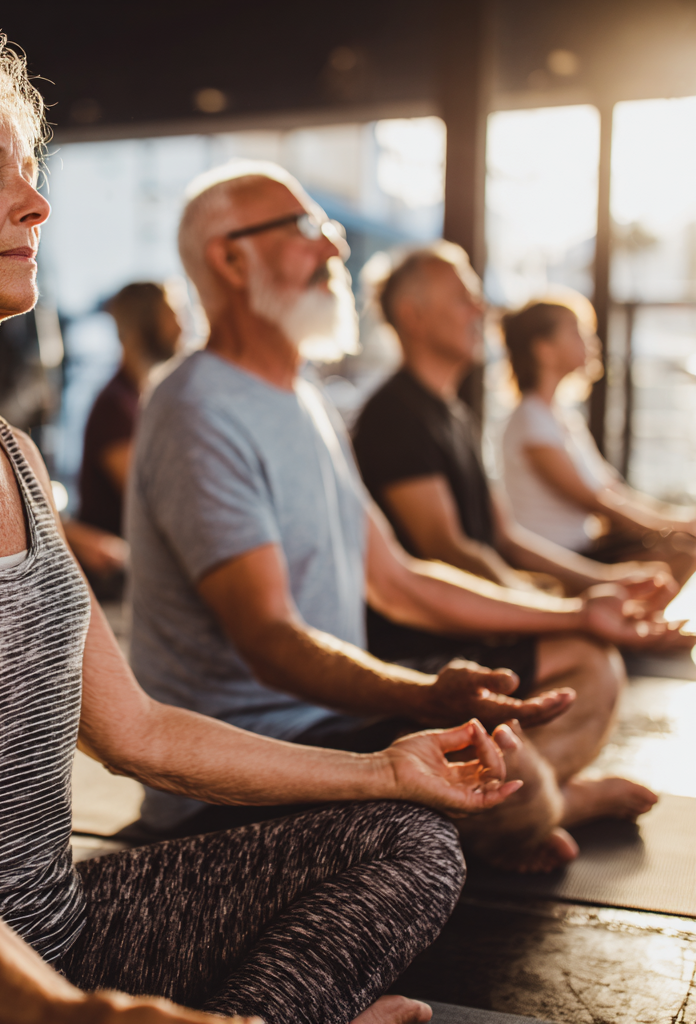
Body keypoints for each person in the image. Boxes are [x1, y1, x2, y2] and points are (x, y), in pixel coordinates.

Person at [0, 19, 521, 1024]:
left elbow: (135, 730)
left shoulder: (4, 449)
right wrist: (50, 1011)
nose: (36, 202)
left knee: (406, 835)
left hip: (53, 929)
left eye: (31, 170)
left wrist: (380, 767)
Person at [126, 160, 682, 875]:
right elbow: (268, 638)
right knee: (501, 784)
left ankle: (533, 801)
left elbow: (397, 577)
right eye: (306, 229)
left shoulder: (305, 398)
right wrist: (422, 697)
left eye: (327, 229)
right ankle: (543, 802)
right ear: (230, 258)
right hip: (247, 770)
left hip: (336, 719)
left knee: (586, 665)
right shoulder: (195, 408)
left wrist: (580, 614)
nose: (335, 248)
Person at [501, 294, 696, 585]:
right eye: (576, 332)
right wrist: (675, 524)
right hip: (560, 561)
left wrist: (678, 520)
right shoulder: (530, 420)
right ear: (544, 349)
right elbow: (596, 502)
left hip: (585, 547)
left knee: (683, 548)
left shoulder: (562, 417)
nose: (592, 341)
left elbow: (612, 489)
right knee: (681, 553)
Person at [65, 282, 182, 599]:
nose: (181, 325)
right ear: (145, 322)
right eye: (170, 314)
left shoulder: (142, 398)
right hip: (111, 577)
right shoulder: (116, 405)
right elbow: (151, 497)